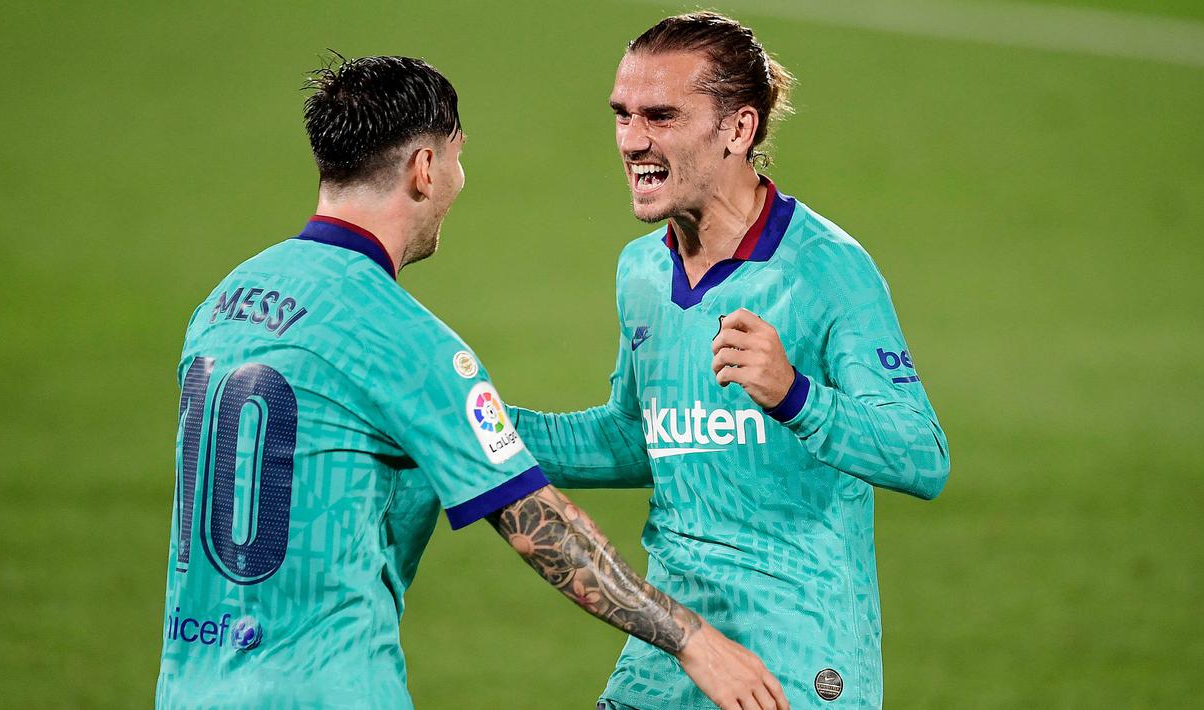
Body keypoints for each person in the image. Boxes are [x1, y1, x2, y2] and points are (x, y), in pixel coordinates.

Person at [154, 55, 787, 710]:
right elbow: (538, 525)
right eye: (455, 158)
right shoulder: (397, 334)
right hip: (324, 690)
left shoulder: (226, 303)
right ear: (423, 169)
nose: (458, 179)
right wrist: (694, 641)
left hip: (188, 686)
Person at [507, 12, 951, 709]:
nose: (631, 140)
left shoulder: (825, 271)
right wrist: (467, 424)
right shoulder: (641, 273)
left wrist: (795, 395)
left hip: (798, 658)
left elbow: (921, 456)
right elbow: (637, 437)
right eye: (621, 115)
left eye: (660, 116)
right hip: (673, 643)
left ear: (738, 130)